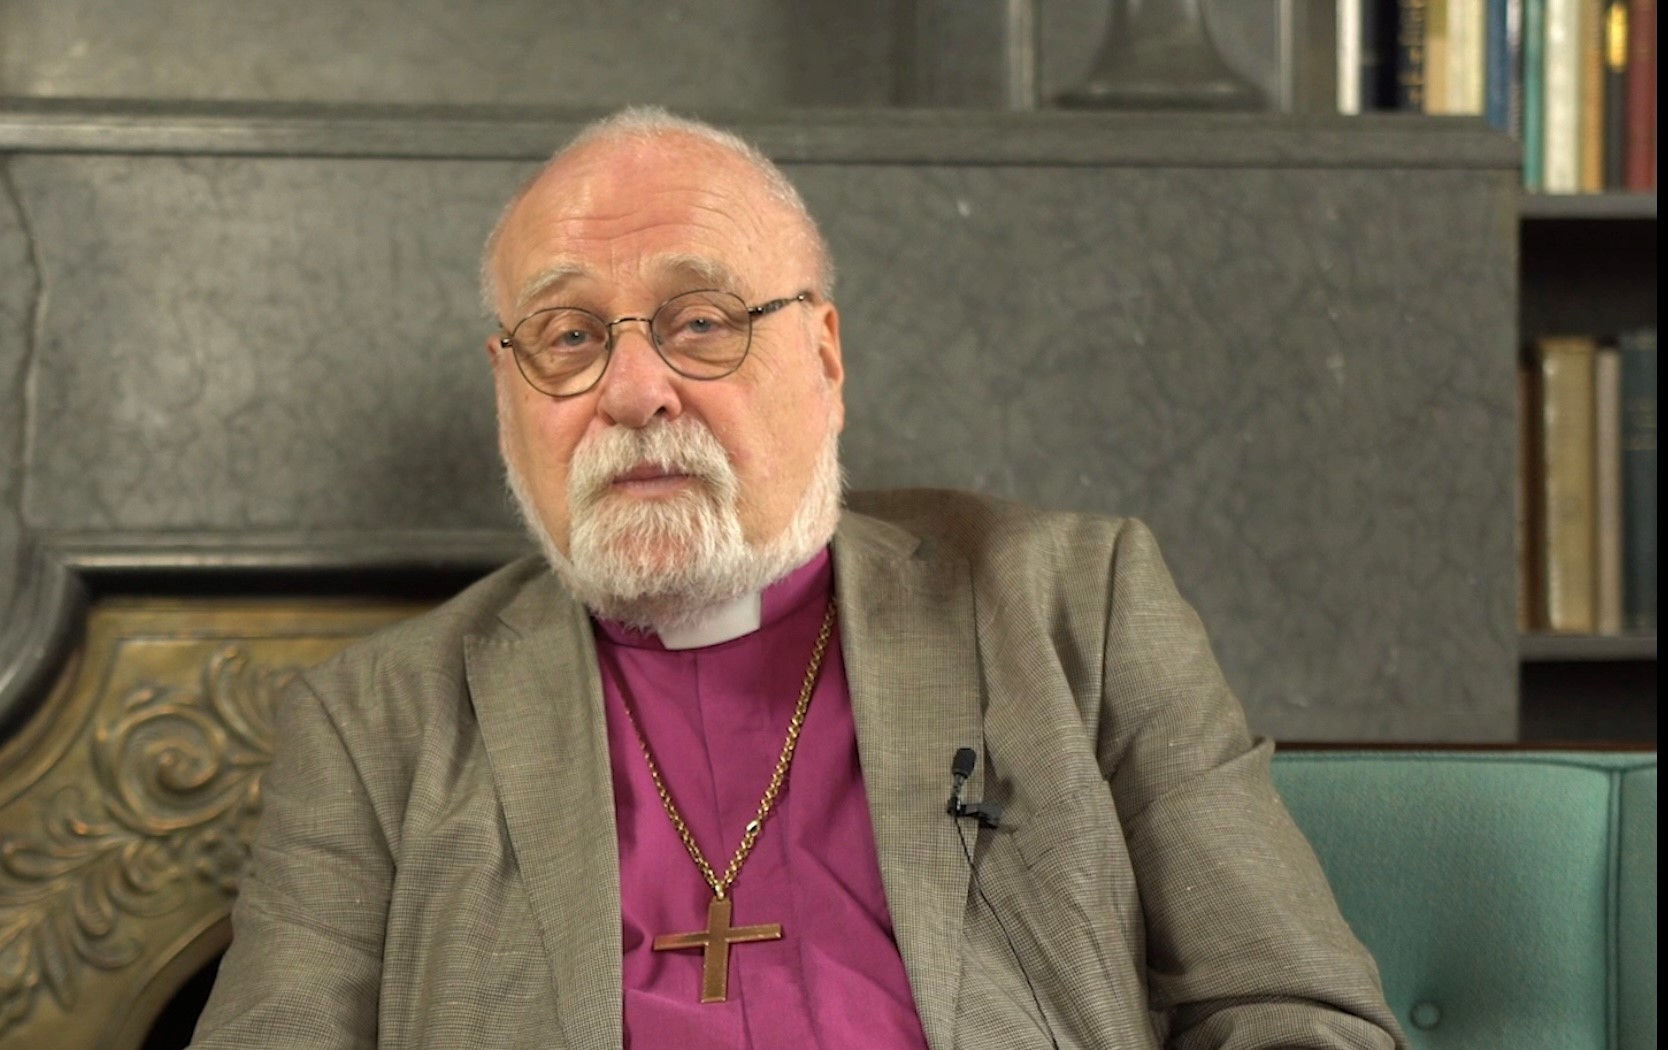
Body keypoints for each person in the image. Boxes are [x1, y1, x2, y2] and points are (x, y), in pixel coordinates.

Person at [191, 107, 1406, 1050]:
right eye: (568, 337)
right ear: (509, 396)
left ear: (824, 359)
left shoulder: (1069, 604)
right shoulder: (377, 724)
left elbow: (1296, 1015)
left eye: (701, 321)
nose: (634, 392)